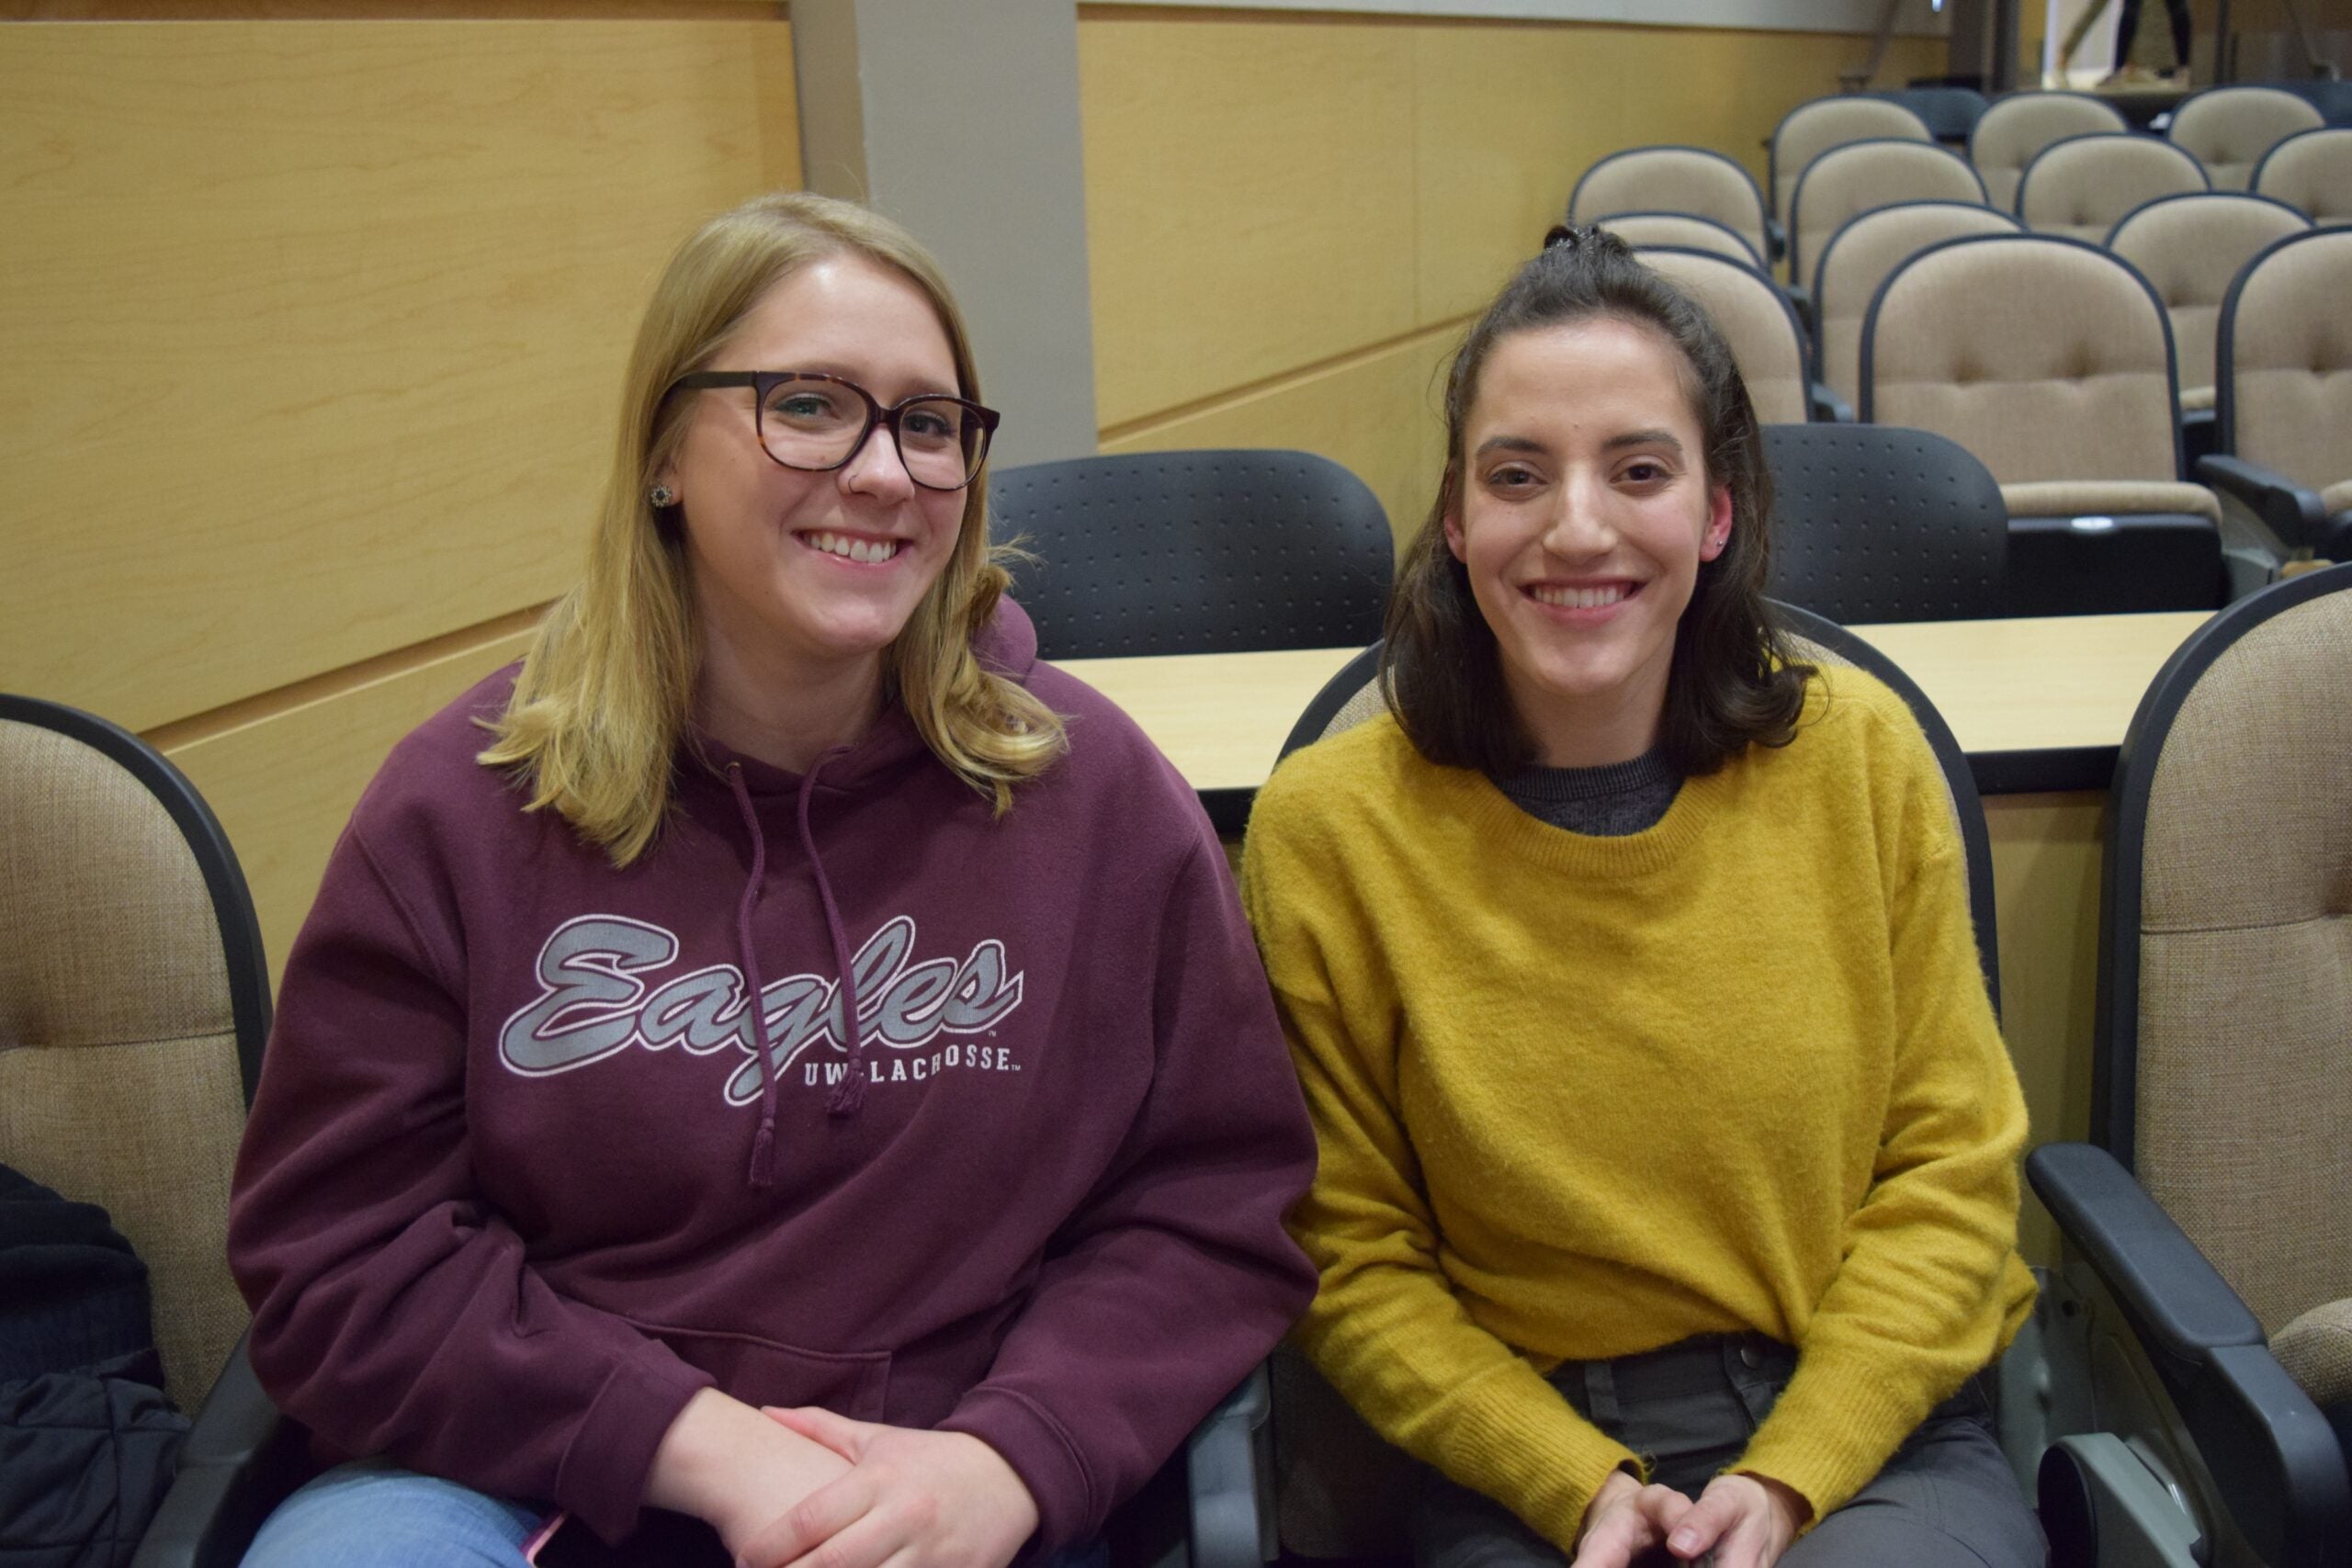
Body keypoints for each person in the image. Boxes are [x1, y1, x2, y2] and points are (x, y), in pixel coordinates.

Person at [228, 190, 1317, 1568]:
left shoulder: (1093, 792)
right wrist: (700, 1445)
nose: (886, 472)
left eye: (930, 425)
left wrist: (1011, 1458)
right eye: (809, 405)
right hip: (540, 1465)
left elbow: (1215, 1203)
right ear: (664, 454)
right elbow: (339, 1256)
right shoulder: (462, 806)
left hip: (949, 1481)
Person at [1240, 228, 2043, 1568]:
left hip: (1864, 1438)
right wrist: (1571, 1481)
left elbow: (1951, 1173)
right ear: (1456, 519)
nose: (1576, 527)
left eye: (1639, 470)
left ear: (1717, 513)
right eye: (1517, 475)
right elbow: (1349, 1251)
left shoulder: (1862, 759)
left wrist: (1792, 1473)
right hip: (1514, 1463)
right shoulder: (1330, 831)